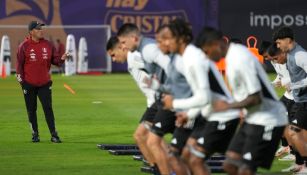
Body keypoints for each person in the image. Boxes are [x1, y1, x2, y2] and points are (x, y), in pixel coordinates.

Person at [208, 26, 288, 175]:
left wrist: (226, 107)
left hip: (268, 119)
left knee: (246, 169)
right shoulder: (232, 58)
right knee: (230, 164)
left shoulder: (239, 59)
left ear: (215, 45)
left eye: (207, 52)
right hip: (253, 117)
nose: (208, 57)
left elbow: (255, 97)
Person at [117, 23, 174, 174]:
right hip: (161, 98)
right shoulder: (143, 50)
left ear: (134, 38)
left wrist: (170, 91)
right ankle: (161, 169)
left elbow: (170, 66)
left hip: (168, 98)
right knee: (149, 138)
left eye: (123, 42)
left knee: (152, 140)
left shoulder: (147, 49)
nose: (122, 46)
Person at [105, 36, 159, 172]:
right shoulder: (132, 58)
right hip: (154, 103)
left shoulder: (135, 56)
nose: (113, 59)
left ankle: (159, 169)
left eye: (113, 55)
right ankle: (160, 166)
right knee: (152, 139)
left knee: (140, 136)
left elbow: (161, 65)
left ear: (120, 47)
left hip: (160, 101)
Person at [16, 21, 70, 143]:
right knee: (31, 110)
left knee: (48, 108)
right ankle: (35, 134)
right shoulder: (23, 46)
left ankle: (54, 135)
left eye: (41, 28)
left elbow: (55, 61)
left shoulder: (48, 45)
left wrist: (61, 59)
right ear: (31, 32)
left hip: (44, 84)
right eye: (38, 28)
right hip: (29, 84)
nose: (41, 30)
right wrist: (23, 84)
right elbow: (19, 67)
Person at [272, 26, 307, 174]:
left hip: (305, 101)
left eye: (279, 43)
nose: (278, 46)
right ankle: (301, 165)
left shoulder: (300, 55)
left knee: (294, 132)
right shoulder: (290, 55)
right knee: (295, 133)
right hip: (300, 101)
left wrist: (292, 84)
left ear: (288, 40)